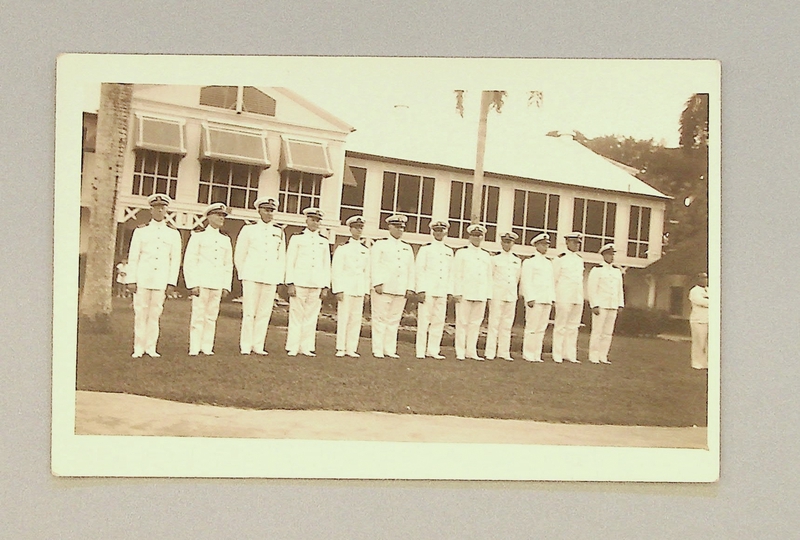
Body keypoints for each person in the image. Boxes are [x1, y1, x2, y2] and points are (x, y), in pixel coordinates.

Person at [126, 193, 183, 358]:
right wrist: (131, 279)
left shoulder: (173, 233)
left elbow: (175, 260)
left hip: (161, 280)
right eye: (156, 208)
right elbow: (134, 256)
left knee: (155, 314)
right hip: (143, 278)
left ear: (166, 210)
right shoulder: (141, 231)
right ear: (151, 210)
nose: (160, 210)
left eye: (163, 208)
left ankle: (151, 348)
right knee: (140, 313)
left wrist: (171, 282)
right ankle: (138, 347)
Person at [234, 196, 285, 356]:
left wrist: (278, 277)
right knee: (249, 312)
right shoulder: (249, 230)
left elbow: (281, 257)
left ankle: (258, 345)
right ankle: (246, 345)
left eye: (272, 210)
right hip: (252, 275)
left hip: (270, 277)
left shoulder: (278, 232)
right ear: (259, 211)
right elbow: (240, 254)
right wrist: (244, 274)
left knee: (264, 313)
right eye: (266, 210)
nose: (269, 213)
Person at [182, 203, 233, 356]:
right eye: (218, 215)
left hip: (217, 282)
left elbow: (227, 264)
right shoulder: (198, 236)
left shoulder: (225, 239)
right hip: (202, 281)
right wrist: (193, 283)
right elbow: (190, 261)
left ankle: (207, 347)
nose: (221, 218)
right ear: (209, 216)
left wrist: (226, 285)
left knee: (211, 316)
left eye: (223, 215)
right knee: (198, 315)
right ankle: (195, 347)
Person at [284, 207, 331, 357]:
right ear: (307, 220)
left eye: (318, 221)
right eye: (312, 220)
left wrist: (325, 286)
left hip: (316, 283)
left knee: (311, 317)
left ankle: (306, 347)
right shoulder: (297, 238)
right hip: (299, 282)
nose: (315, 223)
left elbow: (326, 265)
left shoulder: (323, 241)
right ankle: (293, 346)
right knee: (296, 315)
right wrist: (290, 282)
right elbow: (290, 261)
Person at [370, 214, 415, 359]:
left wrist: (409, 287)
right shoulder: (380, 245)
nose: (400, 230)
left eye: (402, 227)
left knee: (394, 320)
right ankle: (378, 349)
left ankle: (389, 349)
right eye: (397, 227)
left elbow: (410, 269)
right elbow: (374, 265)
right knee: (380, 319)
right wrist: (377, 283)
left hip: (400, 289)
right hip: (384, 288)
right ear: (389, 227)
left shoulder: (406, 247)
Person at [331, 215, 370, 358]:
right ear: (350, 229)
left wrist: (366, 291)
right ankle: (340, 347)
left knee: (355, 319)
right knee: (344, 318)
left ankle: (351, 348)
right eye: (356, 228)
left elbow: (367, 272)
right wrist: (338, 289)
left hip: (359, 288)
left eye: (360, 228)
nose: (358, 230)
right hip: (346, 288)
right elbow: (337, 270)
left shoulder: (365, 250)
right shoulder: (343, 248)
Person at [414, 219, 454, 360]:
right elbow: (419, 270)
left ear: (445, 232)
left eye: (441, 230)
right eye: (436, 230)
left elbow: (450, 273)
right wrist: (421, 290)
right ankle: (420, 350)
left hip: (442, 290)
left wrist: (449, 291)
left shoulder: (449, 251)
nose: (439, 233)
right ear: (432, 232)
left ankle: (433, 350)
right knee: (424, 321)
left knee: (438, 321)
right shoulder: (426, 249)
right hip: (428, 290)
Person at [452, 224, 492, 361]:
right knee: (462, 322)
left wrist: (488, 295)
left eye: (479, 235)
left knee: (475, 323)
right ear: (469, 237)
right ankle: (460, 351)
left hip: (480, 293)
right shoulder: (462, 253)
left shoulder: (486, 255)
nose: (477, 238)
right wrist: (456, 292)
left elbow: (488, 276)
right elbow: (456, 274)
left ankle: (471, 351)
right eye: (474, 235)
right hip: (465, 292)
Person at [485, 231, 522, 361]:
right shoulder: (494, 259)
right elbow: (490, 277)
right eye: (505, 241)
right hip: (497, 294)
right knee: (494, 323)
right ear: (501, 243)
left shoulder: (517, 260)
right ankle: (490, 352)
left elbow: (516, 279)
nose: (507, 244)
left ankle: (504, 352)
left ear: (513, 243)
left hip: (510, 295)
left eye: (510, 242)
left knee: (507, 325)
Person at [586, 243, 625, 364]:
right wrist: (594, 304)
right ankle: (594, 355)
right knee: (597, 331)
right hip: (601, 305)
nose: (611, 257)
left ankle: (603, 355)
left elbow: (619, 289)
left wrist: (620, 304)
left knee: (608, 333)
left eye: (612, 255)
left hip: (612, 304)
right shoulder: (597, 270)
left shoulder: (616, 271)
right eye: (609, 254)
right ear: (603, 255)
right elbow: (592, 288)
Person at [520, 232, 556, 363]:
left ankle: (537, 354)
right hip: (535, 299)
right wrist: (529, 297)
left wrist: (552, 298)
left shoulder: (548, 263)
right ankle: (528, 353)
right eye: (543, 245)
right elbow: (526, 280)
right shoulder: (529, 262)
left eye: (547, 245)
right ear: (536, 245)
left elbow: (551, 282)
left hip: (546, 298)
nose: (545, 248)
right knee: (532, 328)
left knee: (541, 329)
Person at [552, 231, 585, 363]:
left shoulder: (579, 260)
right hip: (563, 295)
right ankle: (557, 354)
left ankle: (570, 354)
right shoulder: (559, 259)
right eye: (573, 242)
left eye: (578, 243)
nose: (576, 245)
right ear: (567, 243)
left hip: (577, 296)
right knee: (560, 326)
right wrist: (554, 297)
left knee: (573, 326)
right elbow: (554, 279)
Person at [689, 272, 709, 370]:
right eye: (702, 278)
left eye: (706, 278)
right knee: (699, 343)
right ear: (697, 279)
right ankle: (697, 363)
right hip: (698, 320)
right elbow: (700, 301)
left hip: (709, 320)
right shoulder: (694, 291)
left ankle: (706, 363)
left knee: (708, 343)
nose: (705, 280)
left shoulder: (709, 290)